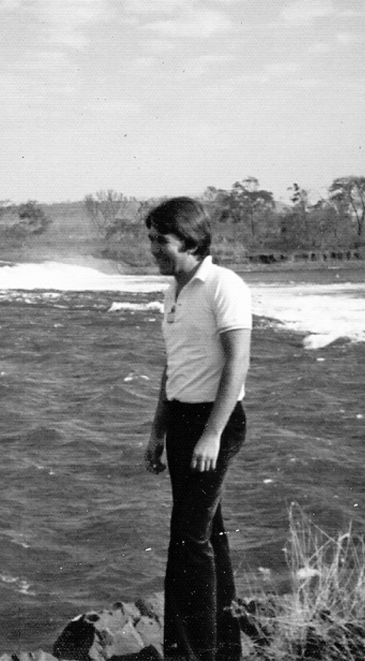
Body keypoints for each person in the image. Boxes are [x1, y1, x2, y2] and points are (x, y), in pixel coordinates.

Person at [143, 197, 252, 661]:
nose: (152, 249)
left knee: (188, 541)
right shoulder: (174, 291)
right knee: (208, 535)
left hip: (216, 423)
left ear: (188, 239)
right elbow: (175, 368)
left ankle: (191, 654)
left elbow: (238, 361)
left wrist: (212, 433)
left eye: (159, 240)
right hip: (184, 421)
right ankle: (225, 648)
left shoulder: (222, 285)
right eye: (150, 238)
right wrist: (157, 432)